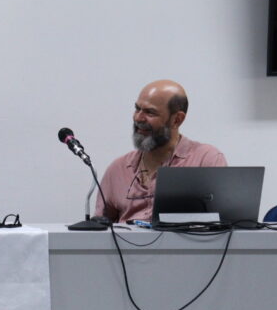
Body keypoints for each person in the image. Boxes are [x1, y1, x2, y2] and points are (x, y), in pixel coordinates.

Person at [95, 79, 227, 224]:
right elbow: (100, 231)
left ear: (177, 119)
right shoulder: (117, 169)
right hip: (125, 247)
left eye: (150, 112)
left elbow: (223, 225)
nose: (138, 118)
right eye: (137, 109)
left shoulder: (206, 160)